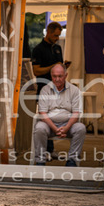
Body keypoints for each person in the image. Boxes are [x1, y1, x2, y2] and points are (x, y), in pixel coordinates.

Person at [33, 63, 86, 166]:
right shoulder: (45, 90)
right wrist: (55, 129)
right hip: (49, 125)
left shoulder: (75, 90)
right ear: (51, 76)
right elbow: (43, 113)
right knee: (39, 127)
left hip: (68, 124)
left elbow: (76, 113)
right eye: (54, 76)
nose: (57, 79)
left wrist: (66, 128)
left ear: (66, 75)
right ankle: (40, 161)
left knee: (81, 128)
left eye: (60, 76)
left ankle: (72, 160)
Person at [31, 22, 70, 158]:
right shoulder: (38, 49)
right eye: (55, 36)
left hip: (58, 90)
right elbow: (36, 71)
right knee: (44, 120)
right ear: (48, 32)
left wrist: (63, 67)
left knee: (54, 118)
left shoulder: (58, 48)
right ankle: (42, 151)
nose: (57, 38)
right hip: (44, 89)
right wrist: (53, 67)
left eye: (59, 36)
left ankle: (50, 149)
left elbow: (58, 68)